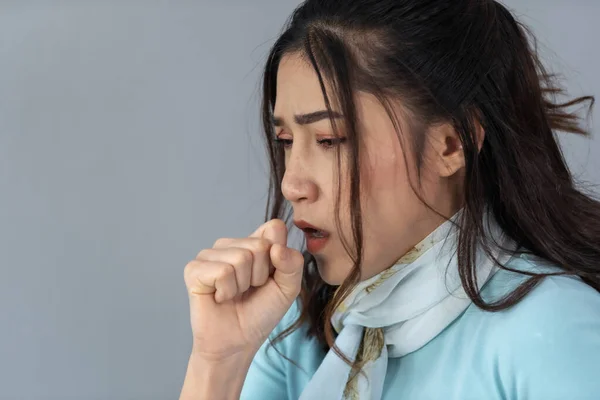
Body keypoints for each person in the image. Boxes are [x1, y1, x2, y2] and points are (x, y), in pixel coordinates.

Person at [179, 0, 600, 399]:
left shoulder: (553, 329)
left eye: (330, 140)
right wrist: (218, 363)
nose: (292, 184)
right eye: (286, 140)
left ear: (452, 144)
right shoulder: (296, 333)